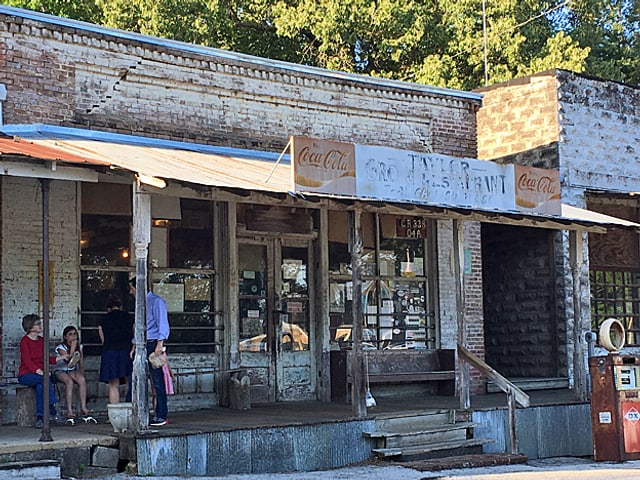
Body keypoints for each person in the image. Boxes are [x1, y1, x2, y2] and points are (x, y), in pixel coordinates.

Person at [129, 277, 170, 426]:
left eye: (132, 288)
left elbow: (163, 324)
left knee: (157, 381)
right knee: (136, 377)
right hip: (143, 344)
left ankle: (161, 414)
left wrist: (160, 344)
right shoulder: (140, 304)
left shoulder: (157, 302)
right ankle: (134, 412)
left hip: (153, 344)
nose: (130, 292)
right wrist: (134, 345)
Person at [17, 314, 59, 428]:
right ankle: (52, 406)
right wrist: (39, 371)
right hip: (26, 375)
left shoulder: (41, 341)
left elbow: (46, 358)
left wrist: (59, 358)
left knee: (41, 386)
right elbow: (27, 361)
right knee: (45, 379)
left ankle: (40, 418)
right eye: (38, 324)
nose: (40, 326)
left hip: (40, 376)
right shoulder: (24, 341)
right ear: (31, 327)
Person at [98, 294, 134, 404]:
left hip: (110, 351)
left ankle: (115, 414)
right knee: (130, 382)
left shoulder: (104, 319)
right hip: (126, 351)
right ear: (121, 306)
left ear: (108, 307)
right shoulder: (128, 317)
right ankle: (132, 411)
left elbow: (102, 338)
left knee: (113, 385)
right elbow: (134, 334)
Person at [53, 325, 91, 419]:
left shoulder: (79, 347)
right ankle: (69, 410)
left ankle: (83, 407)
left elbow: (80, 361)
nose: (73, 337)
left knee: (82, 380)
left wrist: (81, 371)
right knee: (69, 382)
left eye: (75, 334)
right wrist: (73, 347)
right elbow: (69, 361)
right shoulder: (61, 347)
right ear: (65, 337)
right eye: (70, 334)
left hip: (72, 370)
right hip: (60, 370)